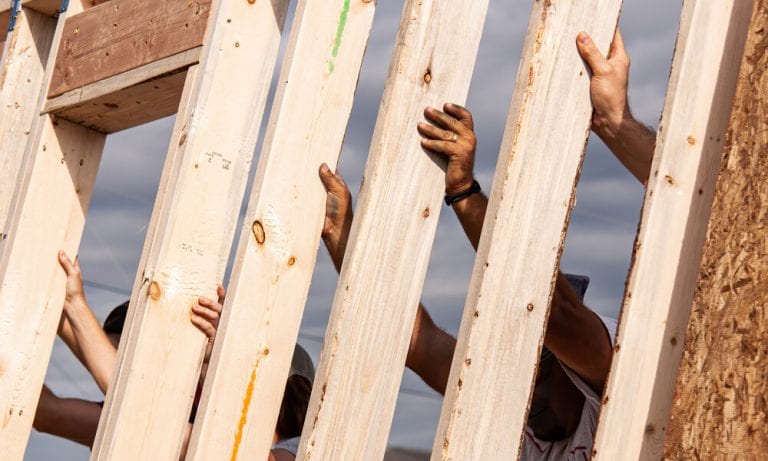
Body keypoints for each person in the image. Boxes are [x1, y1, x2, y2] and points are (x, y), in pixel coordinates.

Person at [318, 28, 656, 459]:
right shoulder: (511, 406)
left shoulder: (609, 380)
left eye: (538, 368)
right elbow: (413, 342)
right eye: (517, 370)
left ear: (568, 363)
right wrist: (342, 239)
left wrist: (462, 193)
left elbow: (552, 314)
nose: (527, 388)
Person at [34, 252, 314, 461]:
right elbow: (47, 414)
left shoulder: (297, 449)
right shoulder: (182, 421)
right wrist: (54, 304)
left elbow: (141, 407)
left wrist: (74, 305)